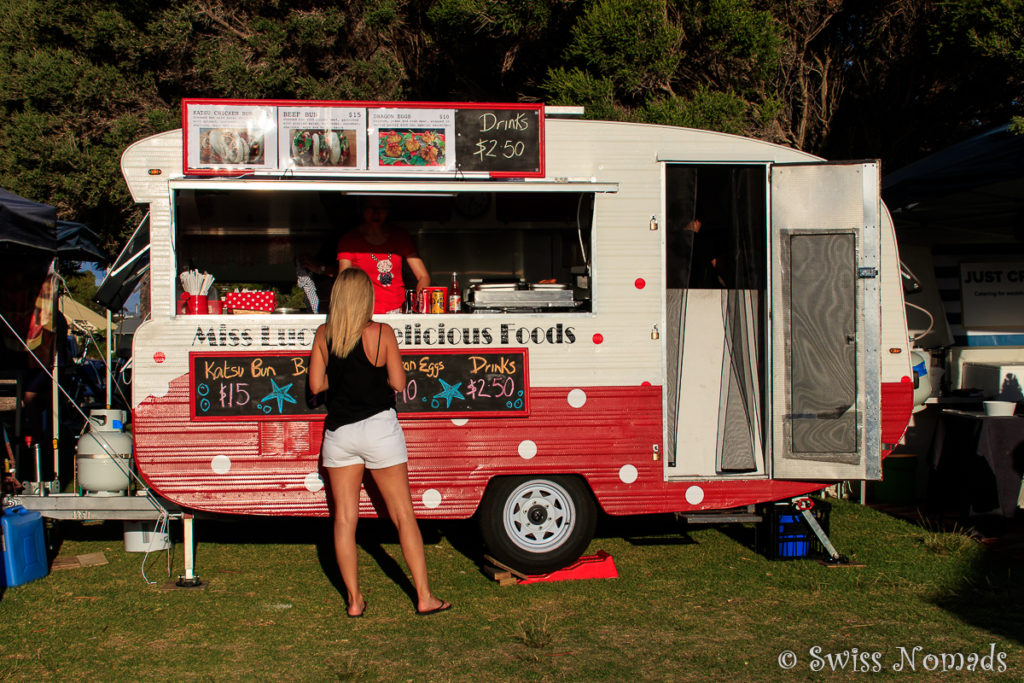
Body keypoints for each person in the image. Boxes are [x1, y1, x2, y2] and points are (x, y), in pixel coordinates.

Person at [308, 269, 450, 617]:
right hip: (379, 429)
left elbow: (315, 386)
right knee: (403, 516)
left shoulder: (324, 334)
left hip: (339, 434)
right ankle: (424, 597)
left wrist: (342, 382)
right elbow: (399, 383)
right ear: (366, 298)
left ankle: (355, 601)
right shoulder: (383, 332)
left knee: (344, 520)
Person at [336, 197, 430, 314]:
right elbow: (344, 280)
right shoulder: (350, 239)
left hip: (397, 311)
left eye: (382, 208)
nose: (377, 213)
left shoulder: (400, 236)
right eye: (372, 208)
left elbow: (423, 277)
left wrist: (416, 305)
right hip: (363, 311)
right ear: (363, 210)